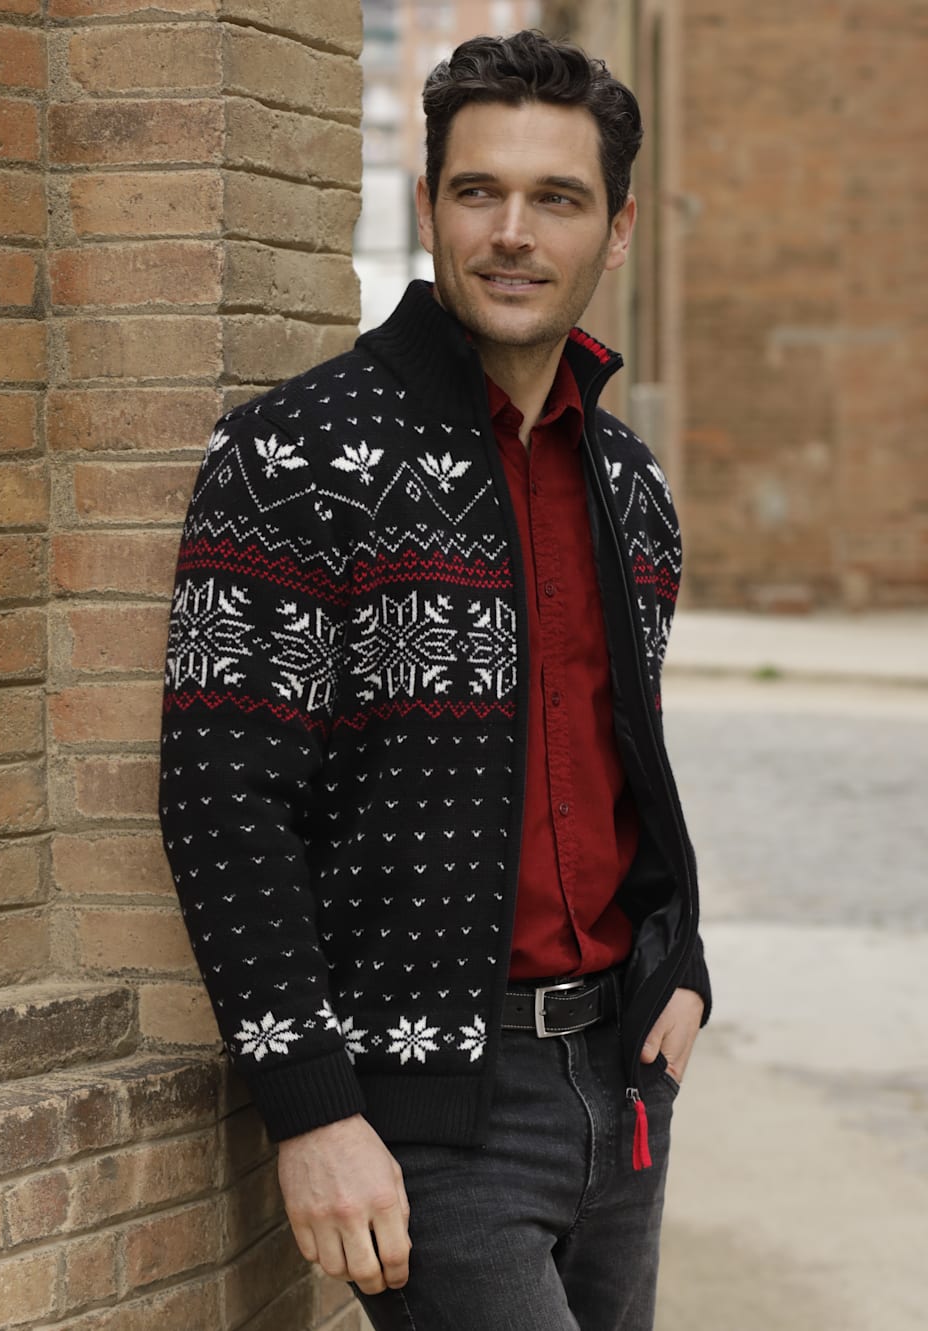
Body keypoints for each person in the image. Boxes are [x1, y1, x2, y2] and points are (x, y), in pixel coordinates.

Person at [159, 29, 709, 1331]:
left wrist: (683, 959)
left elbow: (624, 762)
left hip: (623, 1083)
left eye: (557, 198)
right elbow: (221, 797)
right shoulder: (296, 453)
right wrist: (314, 1111)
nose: (513, 232)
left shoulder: (631, 483)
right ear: (428, 209)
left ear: (617, 230)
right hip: (433, 1109)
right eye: (479, 192)